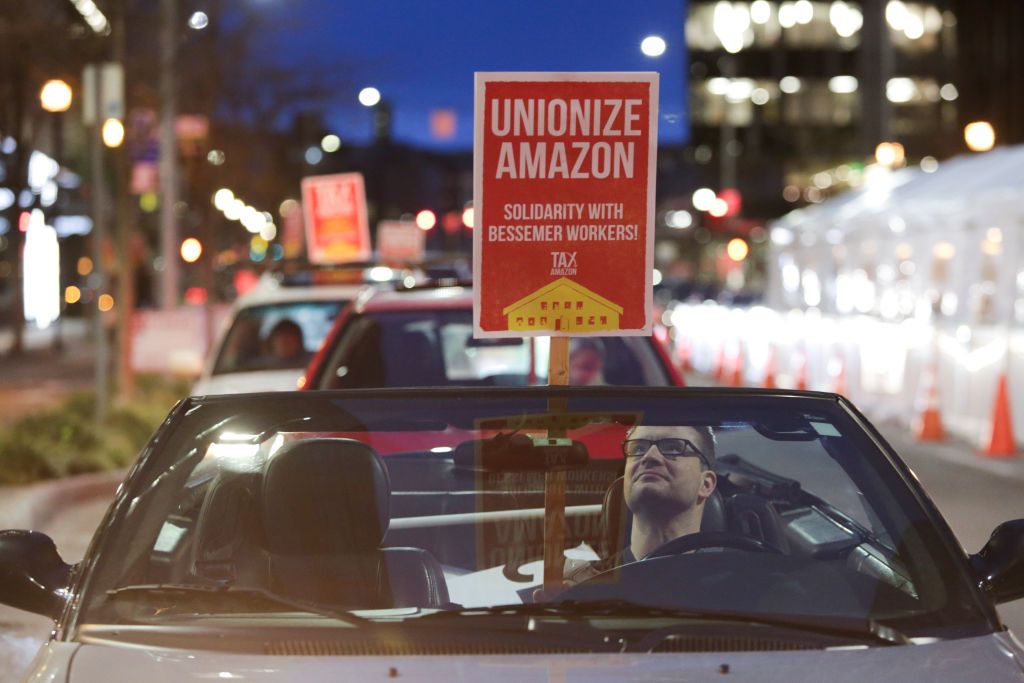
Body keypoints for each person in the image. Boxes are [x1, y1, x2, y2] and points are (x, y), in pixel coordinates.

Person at [619, 424, 717, 562]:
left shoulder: (741, 574)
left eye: (673, 448)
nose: (649, 456)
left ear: (706, 484)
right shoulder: (589, 581)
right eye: (639, 448)